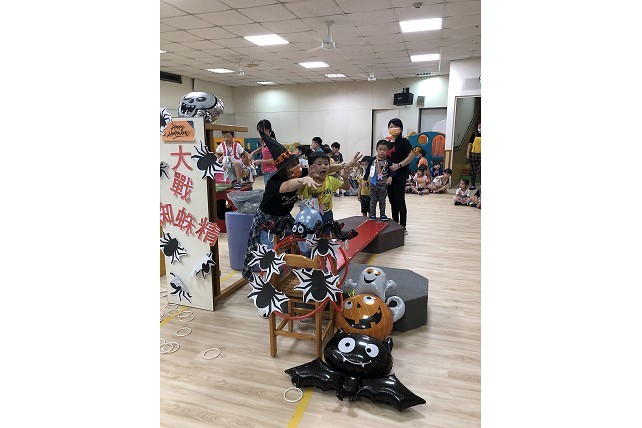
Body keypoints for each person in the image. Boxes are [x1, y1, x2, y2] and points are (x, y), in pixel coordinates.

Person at [241, 133, 361, 282]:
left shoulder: (300, 173)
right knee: (268, 253)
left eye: (297, 162)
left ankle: (299, 273)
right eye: (292, 165)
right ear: (283, 169)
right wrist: (304, 180)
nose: (297, 166)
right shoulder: (275, 182)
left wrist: (345, 165)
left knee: (297, 245)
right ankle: (267, 283)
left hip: (285, 217)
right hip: (267, 221)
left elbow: (326, 169)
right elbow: (287, 186)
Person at [298, 150, 351, 224]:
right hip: (310, 214)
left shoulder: (330, 180)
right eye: (319, 164)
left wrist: (345, 178)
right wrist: (309, 176)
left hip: (327, 214)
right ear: (311, 167)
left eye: (326, 164)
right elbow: (300, 192)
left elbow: (346, 187)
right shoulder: (306, 180)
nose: (323, 166)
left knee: (327, 231)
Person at [386, 118, 415, 233]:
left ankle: (403, 227)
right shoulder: (388, 143)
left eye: (395, 126)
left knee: (400, 201)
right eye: (391, 126)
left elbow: (411, 156)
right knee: (392, 201)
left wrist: (399, 165)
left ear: (401, 129)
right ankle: (395, 224)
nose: (393, 129)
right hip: (389, 176)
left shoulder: (404, 142)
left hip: (400, 175)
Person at [366, 140, 393, 221]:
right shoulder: (373, 160)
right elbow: (368, 170)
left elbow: (393, 171)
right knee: (373, 200)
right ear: (376, 149)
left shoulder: (388, 161)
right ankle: (372, 214)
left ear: (387, 150)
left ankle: (382, 214)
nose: (382, 151)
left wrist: (390, 177)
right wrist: (364, 180)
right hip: (373, 184)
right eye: (380, 149)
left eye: (384, 150)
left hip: (383, 184)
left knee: (382, 200)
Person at [466, 122, 481, 190]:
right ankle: (473, 185)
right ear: (477, 126)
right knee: (473, 170)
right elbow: (470, 144)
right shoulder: (474, 134)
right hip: (474, 154)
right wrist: (468, 153)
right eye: (479, 124)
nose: (480, 126)